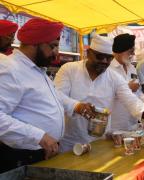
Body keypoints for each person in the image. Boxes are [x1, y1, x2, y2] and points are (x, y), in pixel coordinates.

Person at [0, 18, 93, 173]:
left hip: (41, 152)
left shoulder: (36, 69)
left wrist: (75, 106)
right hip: (21, 157)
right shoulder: (10, 69)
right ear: (34, 43)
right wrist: (39, 136)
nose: (57, 53)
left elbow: (54, 95)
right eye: (53, 46)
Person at [54, 34, 144, 152]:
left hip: (100, 142)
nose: (104, 62)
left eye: (108, 58)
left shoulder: (113, 77)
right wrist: (76, 106)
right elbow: (57, 96)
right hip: (70, 143)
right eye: (100, 57)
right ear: (88, 53)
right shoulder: (69, 69)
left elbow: (130, 99)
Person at [109, 33, 144, 131]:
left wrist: (143, 100)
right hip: (116, 123)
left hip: (133, 121)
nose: (133, 54)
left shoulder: (132, 68)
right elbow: (103, 93)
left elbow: (138, 90)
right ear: (120, 51)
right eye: (131, 51)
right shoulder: (108, 69)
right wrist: (127, 87)